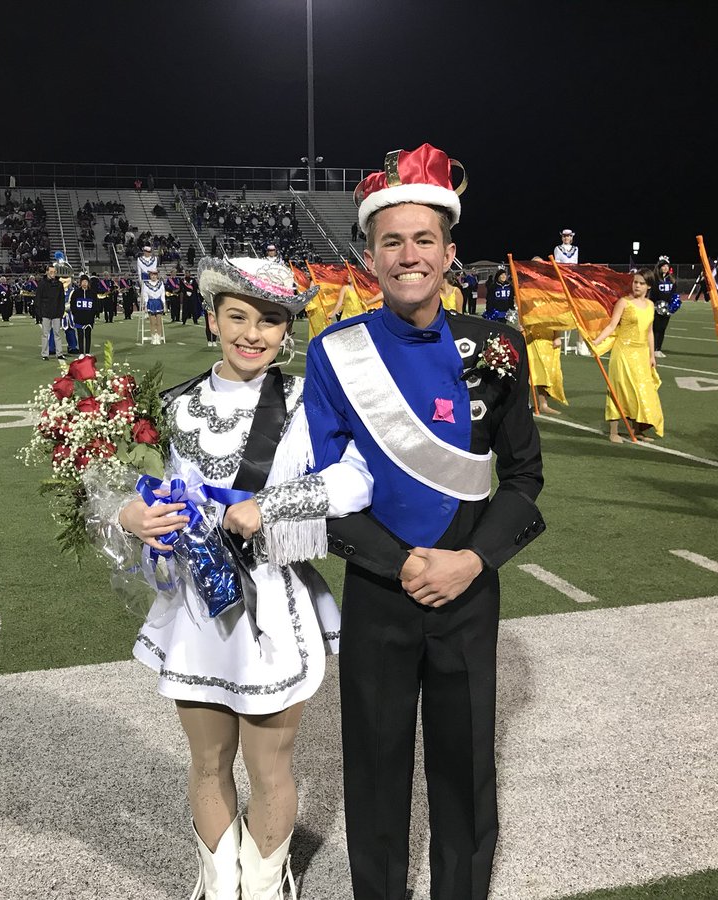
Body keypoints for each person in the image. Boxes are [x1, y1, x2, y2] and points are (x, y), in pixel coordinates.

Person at [304, 143, 544, 900]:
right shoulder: (333, 353)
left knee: (466, 768)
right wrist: (402, 563)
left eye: (424, 239)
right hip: (380, 591)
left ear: (450, 252)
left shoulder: (498, 347)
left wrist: (470, 562)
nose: (409, 255)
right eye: (392, 241)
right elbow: (321, 486)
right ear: (370, 256)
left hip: (470, 594)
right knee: (374, 772)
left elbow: (525, 478)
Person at [118, 256, 371, 900]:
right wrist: (130, 512)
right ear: (212, 320)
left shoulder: (306, 405)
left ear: (287, 332)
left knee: (270, 765)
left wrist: (271, 505)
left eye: (270, 321)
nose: (252, 334)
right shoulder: (171, 406)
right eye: (238, 317)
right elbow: (138, 488)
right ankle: (216, 880)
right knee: (206, 762)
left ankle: (264, 883)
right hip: (197, 608)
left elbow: (355, 479)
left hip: (273, 608)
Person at [591, 268, 664, 442]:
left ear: (648, 286)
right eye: (635, 282)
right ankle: (614, 431)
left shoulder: (651, 305)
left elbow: (649, 332)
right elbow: (611, 326)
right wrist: (595, 342)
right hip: (623, 353)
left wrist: (652, 355)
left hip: (641, 354)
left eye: (641, 283)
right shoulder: (624, 302)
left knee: (642, 391)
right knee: (620, 390)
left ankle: (638, 429)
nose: (637, 286)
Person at [35, 264, 68, 360]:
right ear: (47, 272)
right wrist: (39, 313)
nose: (53, 274)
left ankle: (59, 353)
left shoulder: (59, 284)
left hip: (57, 313)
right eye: (51, 272)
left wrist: (61, 311)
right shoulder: (42, 283)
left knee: (57, 334)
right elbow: (38, 299)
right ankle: (45, 354)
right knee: (45, 334)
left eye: (54, 272)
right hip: (45, 313)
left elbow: (61, 299)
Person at [652, 256, 680, 357]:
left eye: (667, 266)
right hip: (656, 308)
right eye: (663, 266)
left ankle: (658, 349)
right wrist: (654, 305)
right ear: (659, 267)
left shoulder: (671, 280)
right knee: (656, 328)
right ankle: (654, 349)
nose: (665, 268)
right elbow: (652, 294)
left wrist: (674, 304)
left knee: (663, 328)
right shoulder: (655, 279)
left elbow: (674, 293)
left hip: (667, 308)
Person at [67, 274, 97, 356]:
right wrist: (75, 314)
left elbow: (95, 305)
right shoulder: (76, 293)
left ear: (88, 283)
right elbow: (72, 304)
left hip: (89, 318)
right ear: (80, 283)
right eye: (83, 282)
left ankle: (87, 352)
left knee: (88, 335)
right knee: (80, 335)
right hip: (79, 318)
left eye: (86, 282)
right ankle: (81, 352)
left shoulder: (92, 293)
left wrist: (93, 314)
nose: (84, 283)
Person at [142, 268, 167, 345]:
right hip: (150, 302)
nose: (153, 276)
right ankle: (153, 338)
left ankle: (158, 337)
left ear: (157, 275)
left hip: (158, 303)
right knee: (152, 322)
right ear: (150, 275)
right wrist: (145, 305)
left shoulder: (161, 283)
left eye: (155, 275)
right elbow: (145, 295)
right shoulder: (146, 284)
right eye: (152, 275)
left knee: (159, 322)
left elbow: (163, 294)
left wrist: (164, 305)